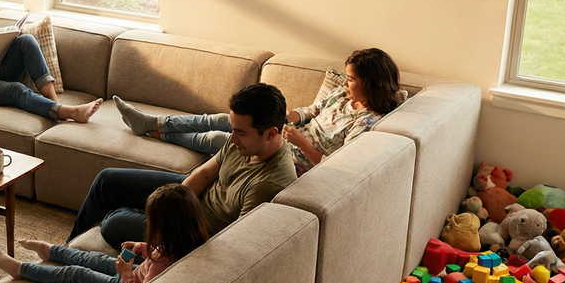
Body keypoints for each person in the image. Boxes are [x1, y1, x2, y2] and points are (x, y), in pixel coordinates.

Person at [69, 82, 298, 249]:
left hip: (196, 231)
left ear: (270, 134)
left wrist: (168, 228)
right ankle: (68, 248)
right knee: (107, 180)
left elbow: (230, 244)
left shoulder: (268, 184)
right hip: (194, 198)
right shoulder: (243, 142)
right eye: (232, 129)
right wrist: (171, 205)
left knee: (113, 223)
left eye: (240, 132)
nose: (232, 138)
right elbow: (206, 174)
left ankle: (132, 218)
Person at [112, 48, 403, 176]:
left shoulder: (367, 124)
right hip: (284, 132)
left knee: (220, 140)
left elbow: (337, 168)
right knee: (222, 120)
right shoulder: (343, 93)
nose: (346, 82)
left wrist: (300, 141)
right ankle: (154, 122)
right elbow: (314, 110)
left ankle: (154, 131)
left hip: (293, 158)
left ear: (370, 83)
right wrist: (293, 116)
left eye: (352, 78)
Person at [0, 184, 208, 283]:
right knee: (94, 258)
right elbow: (158, 253)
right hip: (134, 274)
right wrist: (142, 247)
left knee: (76, 274)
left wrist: (125, 275)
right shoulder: (177, 243)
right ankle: (50, 251)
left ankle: (22, 270)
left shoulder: (163, 266)